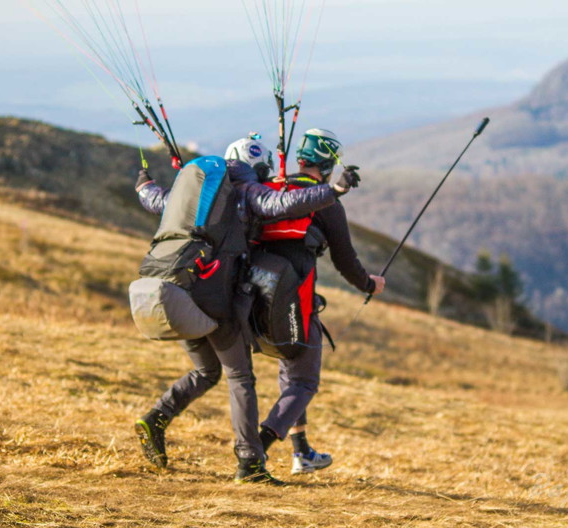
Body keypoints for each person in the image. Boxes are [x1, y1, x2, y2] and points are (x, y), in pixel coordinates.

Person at [133, 144, 360, 485]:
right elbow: (282, 203)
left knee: (207, 371)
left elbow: (156, 200)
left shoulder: (198, 195)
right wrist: (334, 190)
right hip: (216, 302)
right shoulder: (245, 191)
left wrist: (143, 184)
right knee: (240, 378)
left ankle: (156, 418)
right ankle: (250, 463)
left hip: (180, 291)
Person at [255, 128, 385, 475]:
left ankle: (301, 453)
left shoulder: (273, 189)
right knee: (304, 382)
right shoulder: (325, 201)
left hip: (254, 301)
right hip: (296, 303)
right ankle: (256, 449)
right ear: (328, 165)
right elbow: (345, 261)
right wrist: (369, 284)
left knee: (290, 375)